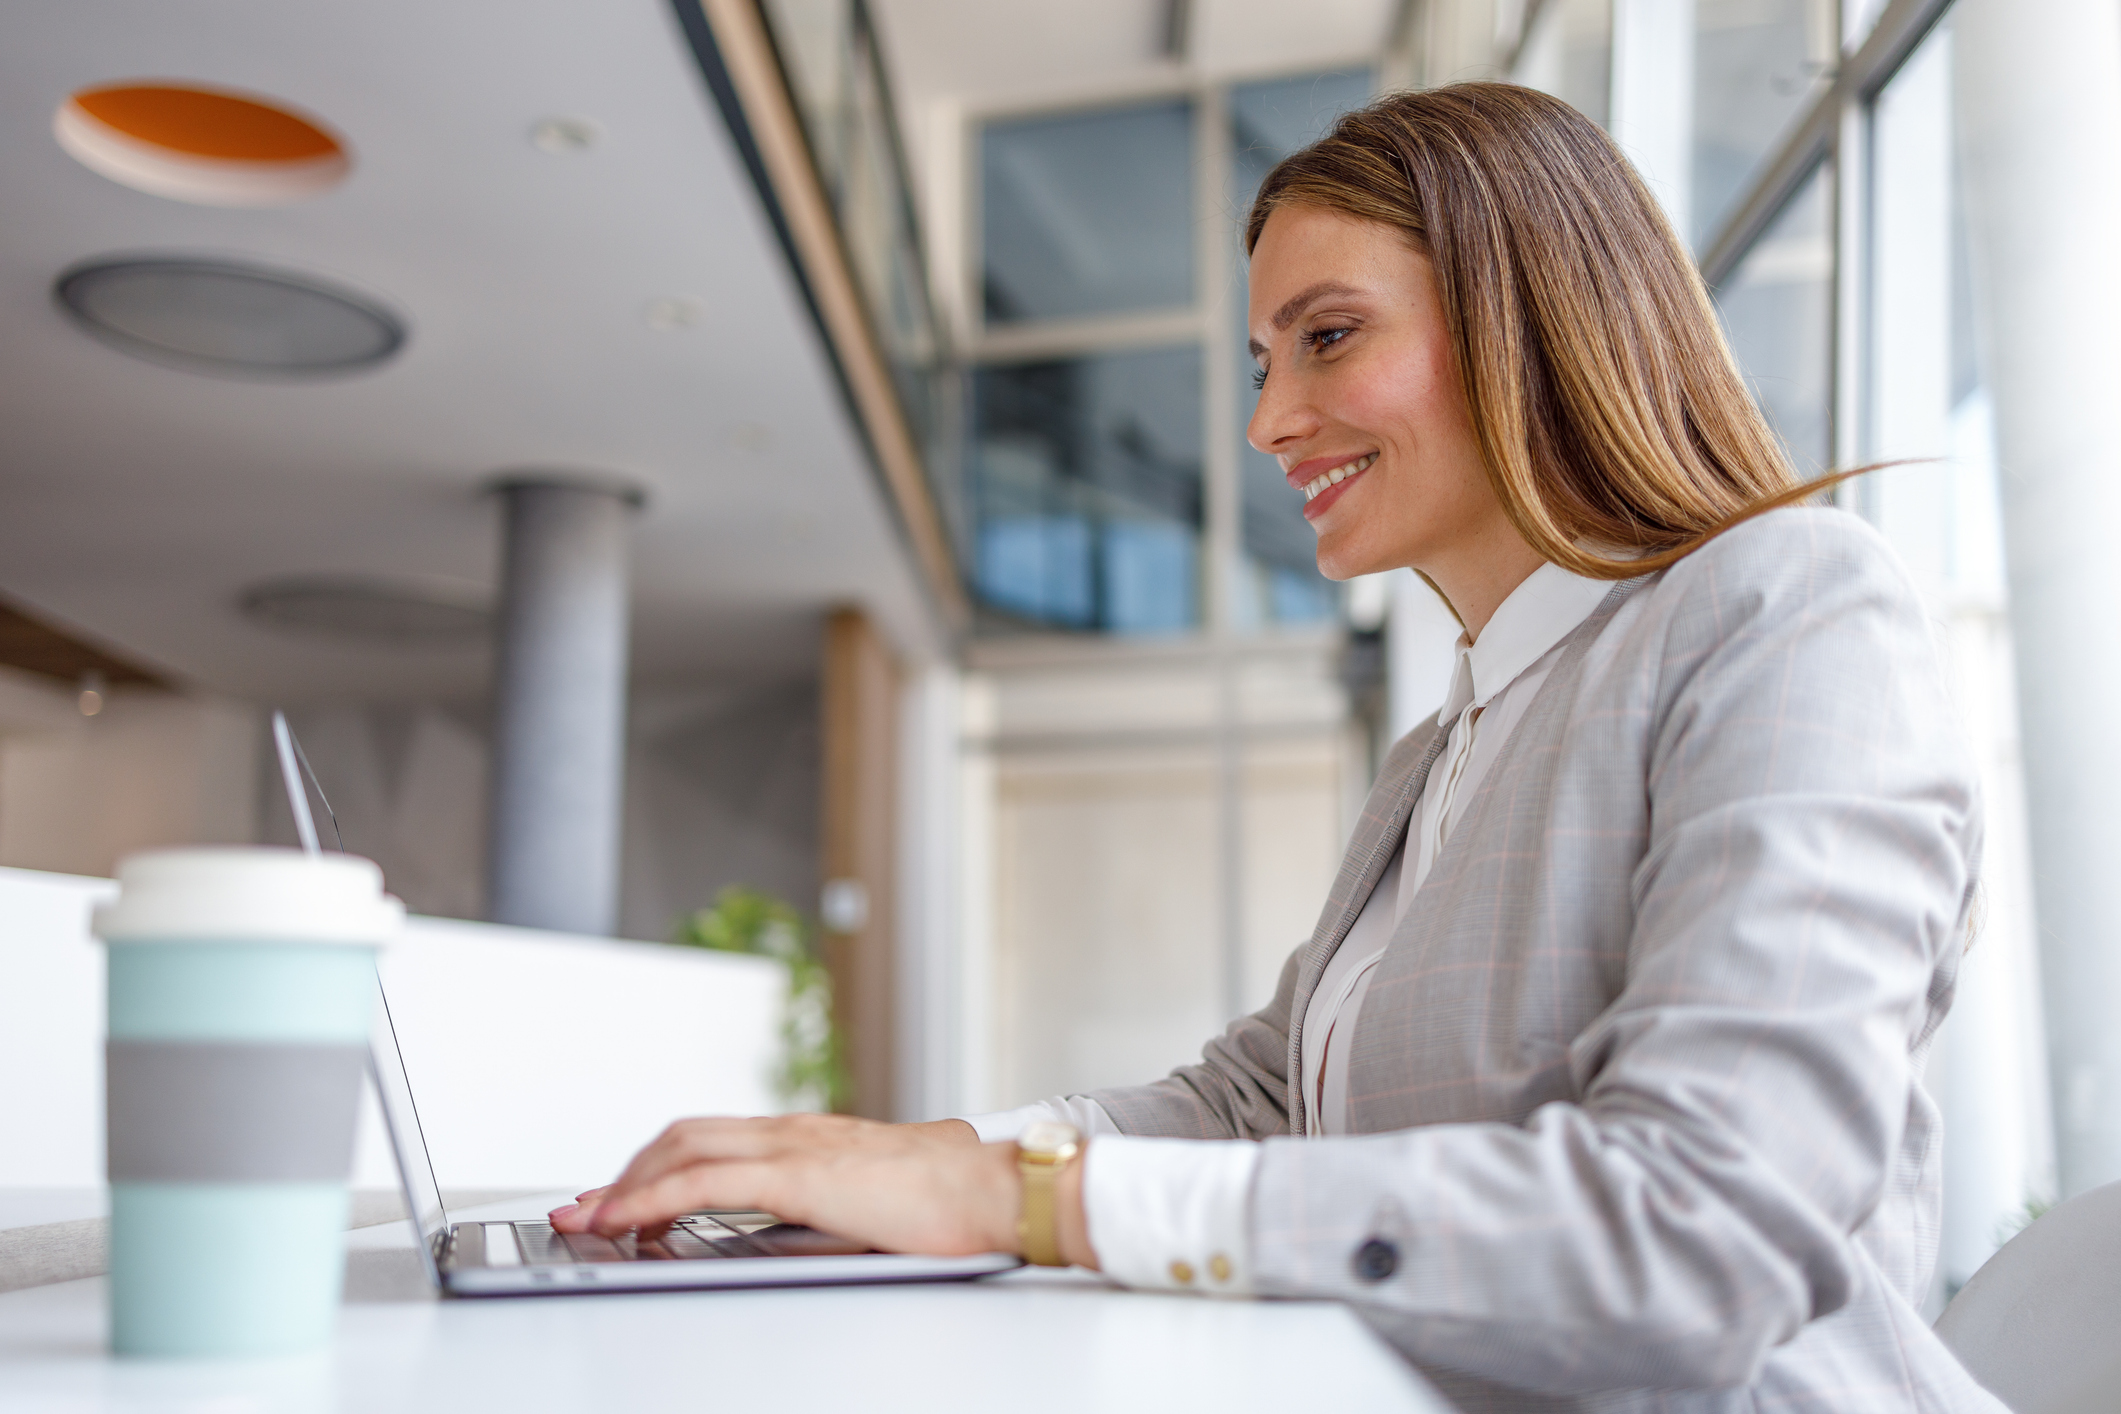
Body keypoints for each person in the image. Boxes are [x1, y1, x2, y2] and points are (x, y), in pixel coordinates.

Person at [553, 83, 2002, 1411]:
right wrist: (907, 1159)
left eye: (1327, 336)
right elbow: (1258, 1102)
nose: (1262, 421)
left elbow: (1702, 1229)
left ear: (1525, 311)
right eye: (1262, 358)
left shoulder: (1790, 609)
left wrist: (1026, 1198)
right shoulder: (1448, 740)